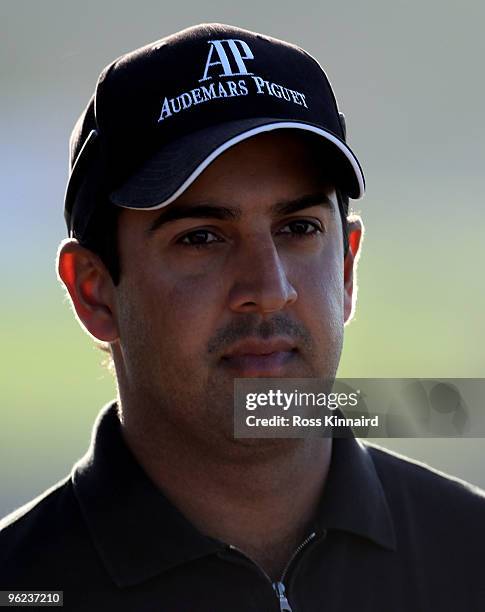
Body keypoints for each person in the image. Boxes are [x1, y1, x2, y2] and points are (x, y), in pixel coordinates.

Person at [1, 23, 484, 612]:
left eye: (299, 229)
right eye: (202, 237)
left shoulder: (468, 556)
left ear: (348, 270)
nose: (269, 289)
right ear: (94, 293)